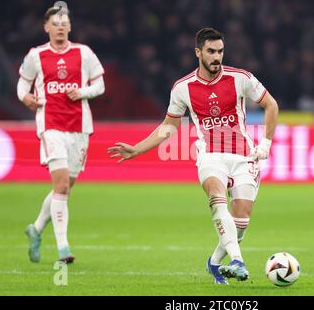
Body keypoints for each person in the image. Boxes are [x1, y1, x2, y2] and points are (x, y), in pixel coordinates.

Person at [107, 28, 278, 283]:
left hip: (244, 156)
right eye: (211, 51)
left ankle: (214, 261)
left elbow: (271, 105)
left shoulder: (240, 78)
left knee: (240, 222)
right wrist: (138, 148)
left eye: (220, 51)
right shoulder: (183, 87)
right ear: (198, 52)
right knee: (216, 195)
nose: (216, 57)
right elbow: (168, 127)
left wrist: (265, 142)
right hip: (210, 155)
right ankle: (237, 261)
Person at [17, 2, 105, 263]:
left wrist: (83, 92)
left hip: (79, 127)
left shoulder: (84, 53)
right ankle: (63, 248)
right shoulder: (36, 55)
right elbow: (22, 83)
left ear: (70, 27)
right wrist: (26, 97)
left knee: (65, 186)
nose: (60, 28)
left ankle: (35, 228)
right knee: (62, 185)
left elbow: (100, 83)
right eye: (55, 24)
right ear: (46, 28)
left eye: (64, 23)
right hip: (50, 124)